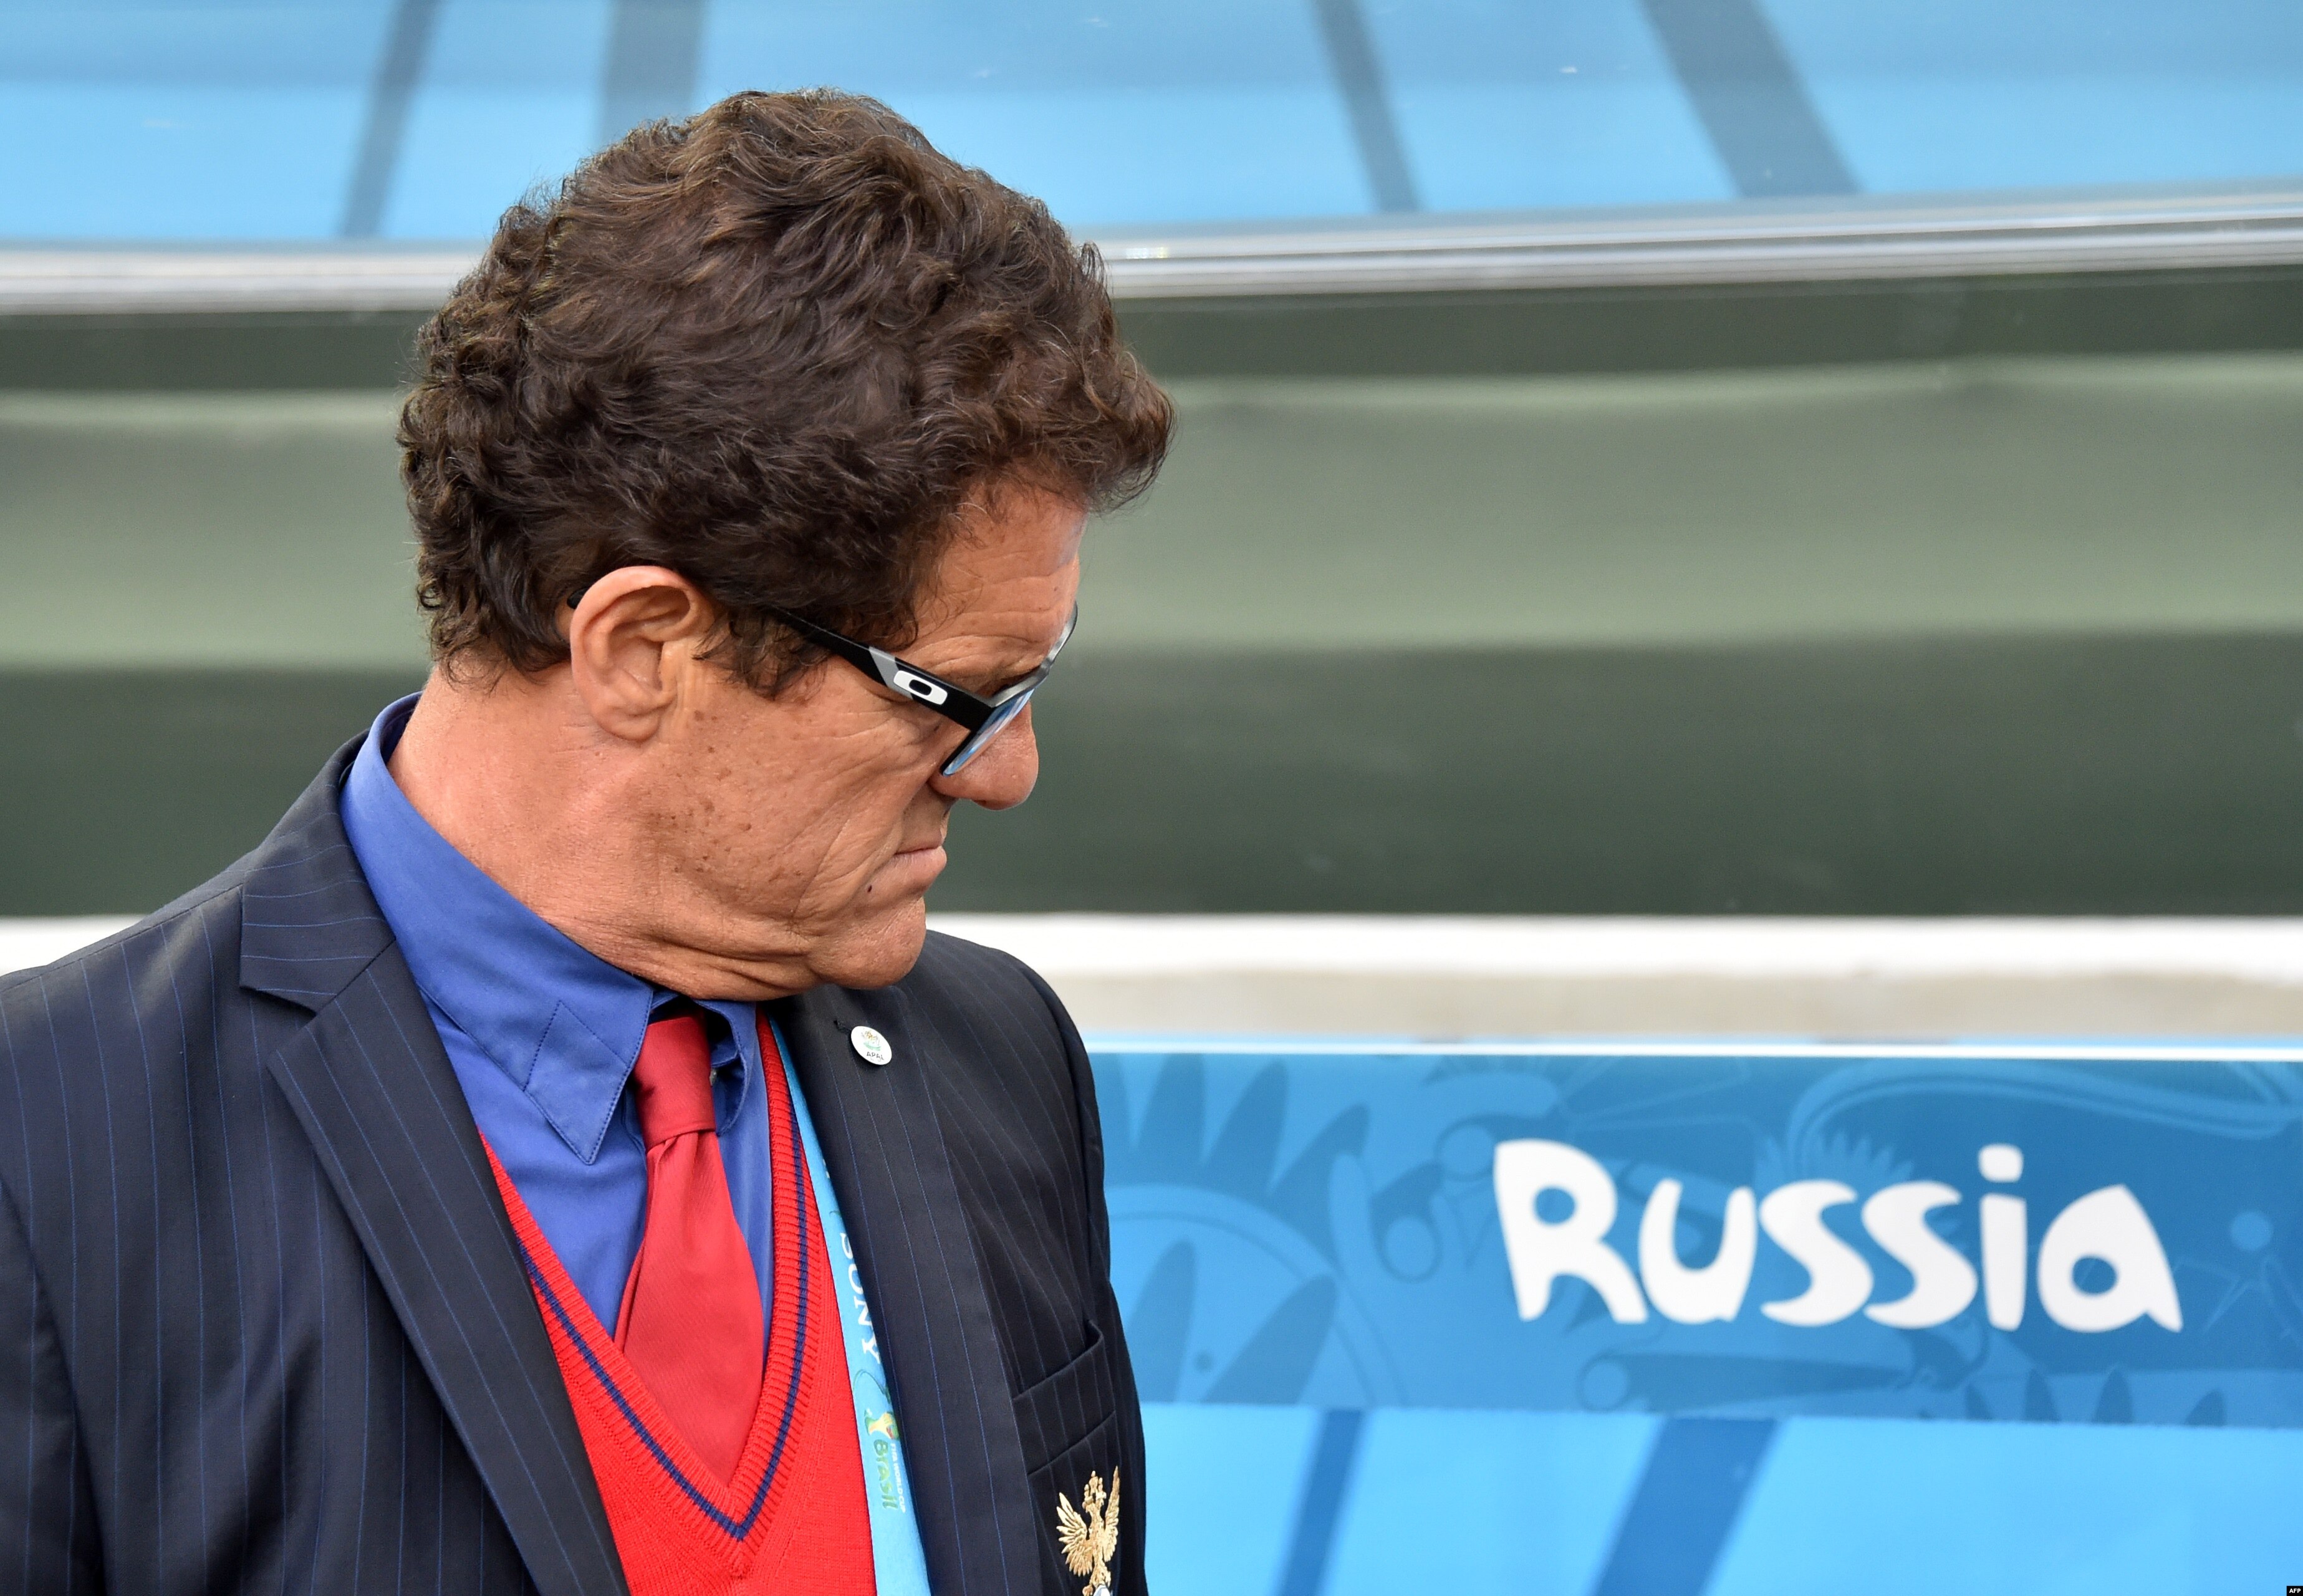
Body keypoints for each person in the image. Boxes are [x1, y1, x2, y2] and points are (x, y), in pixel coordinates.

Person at [0, 90, 1171, 1596]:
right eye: (955, 696)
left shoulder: (996, 1058)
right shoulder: (47, 1162)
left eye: (1035, 679)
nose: (1007, 770)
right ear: (640, 648)